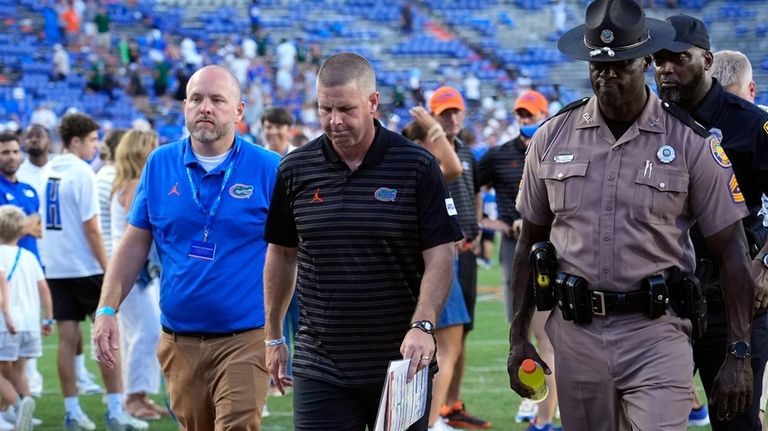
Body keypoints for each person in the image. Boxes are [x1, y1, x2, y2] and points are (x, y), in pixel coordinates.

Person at [507, 1, 755, 430]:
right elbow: (530, 242)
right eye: (598, 65)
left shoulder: (690, 142)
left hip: (657, 333)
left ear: (644, 61)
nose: (608, 74)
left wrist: (738, 351)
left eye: (620, 64)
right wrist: (517, 337)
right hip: (577, 332)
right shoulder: (551, 136)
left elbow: (732, 249)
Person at [263, 52, 462, 431]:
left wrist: (423, 326)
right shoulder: (294, 169)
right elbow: (282, 253)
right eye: (325, 109)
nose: (334, 121)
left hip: (402, 360)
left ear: (373, 102)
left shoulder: (416, 166)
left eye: (345, 109)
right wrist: (273, 336)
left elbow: (440, 254)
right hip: (319, 361)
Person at [92, 65, 280, 430]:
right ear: (184, 106)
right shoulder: (160, 163)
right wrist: (106, 308)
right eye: (196, 99)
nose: (205, 108)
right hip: (179, 339)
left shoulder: (268, 168)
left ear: (239, 111)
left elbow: (292, 250)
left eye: (216, 100)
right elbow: (133, 243)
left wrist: (278, 333)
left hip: (245, 336)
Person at [653, 15, 768, 429]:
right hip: (659, 306)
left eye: (678, 58)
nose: (666, 68)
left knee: (735, 420)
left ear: (706, 58)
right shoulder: (646, 125)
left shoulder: (749, 124)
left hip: (730, 301)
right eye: (658, 60)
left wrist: (766, 265)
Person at [42, 112, 147, 431]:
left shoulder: (49, 170)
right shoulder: (83, 173)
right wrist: (108, 268)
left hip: (56, 266)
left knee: (67, 341)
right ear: (75, 141)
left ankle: (73, 411)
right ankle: (116, 409)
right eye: (90, 140)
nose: (96, 146)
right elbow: (92, 229)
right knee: (108, 337)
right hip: (85, 266)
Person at [478, 91, 560, 430]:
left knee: (547, 336)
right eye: (522, 116)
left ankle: (543, 415)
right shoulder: (498, 156)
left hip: (554, 249)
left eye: (532, 115)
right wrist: (486, 222)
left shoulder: (560, 148)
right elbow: (467, 186)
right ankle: (536, 403)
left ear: (545, 114)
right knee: (520, 328)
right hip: (516, 249)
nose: (526, 121)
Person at [428, 87, 489, 430]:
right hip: (444, 253)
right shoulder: (433, 153)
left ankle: (452, 404)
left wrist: (477, 227)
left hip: (465, 252)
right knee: (443, 338)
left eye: (455, 112)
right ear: (434, 116)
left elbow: (476, 191)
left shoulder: (467, 151)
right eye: (444, 113)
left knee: (460, 333)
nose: (451, 118)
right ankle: (435, 413)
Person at [107, 130, 165, 421]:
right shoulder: (133, 185)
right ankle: (133, 398)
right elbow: (148, 225)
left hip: (140, 271)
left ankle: (139, 394)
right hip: (134, 271)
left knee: (139, 334)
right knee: (148, 331)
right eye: (152, 148)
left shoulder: (128, 182)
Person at [0, 205, 52, 431]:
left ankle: (18, 405)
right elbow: (44, 290)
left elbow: (2, 292)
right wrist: (48, 319)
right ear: (21, 231)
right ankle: (24, 410)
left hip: (6, 323)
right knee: (18, 371)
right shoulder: (29, 256)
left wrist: (8, 316)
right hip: (30, 324)